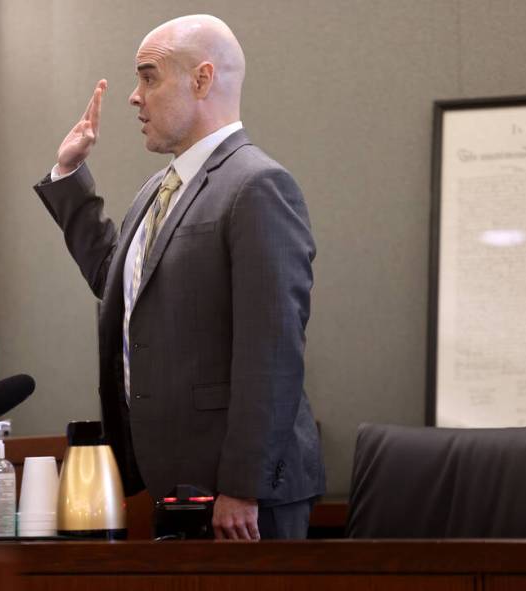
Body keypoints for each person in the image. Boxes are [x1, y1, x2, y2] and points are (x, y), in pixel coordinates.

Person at [34, 15, 325, 539]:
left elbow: (273, 350)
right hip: (177, 486)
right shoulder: (158, 190)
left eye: (149, 77)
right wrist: (69, 178)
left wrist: (242, 486)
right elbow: (120, 286)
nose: (133, 96)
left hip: (242, 500)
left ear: (202, 80)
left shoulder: (258, 185)